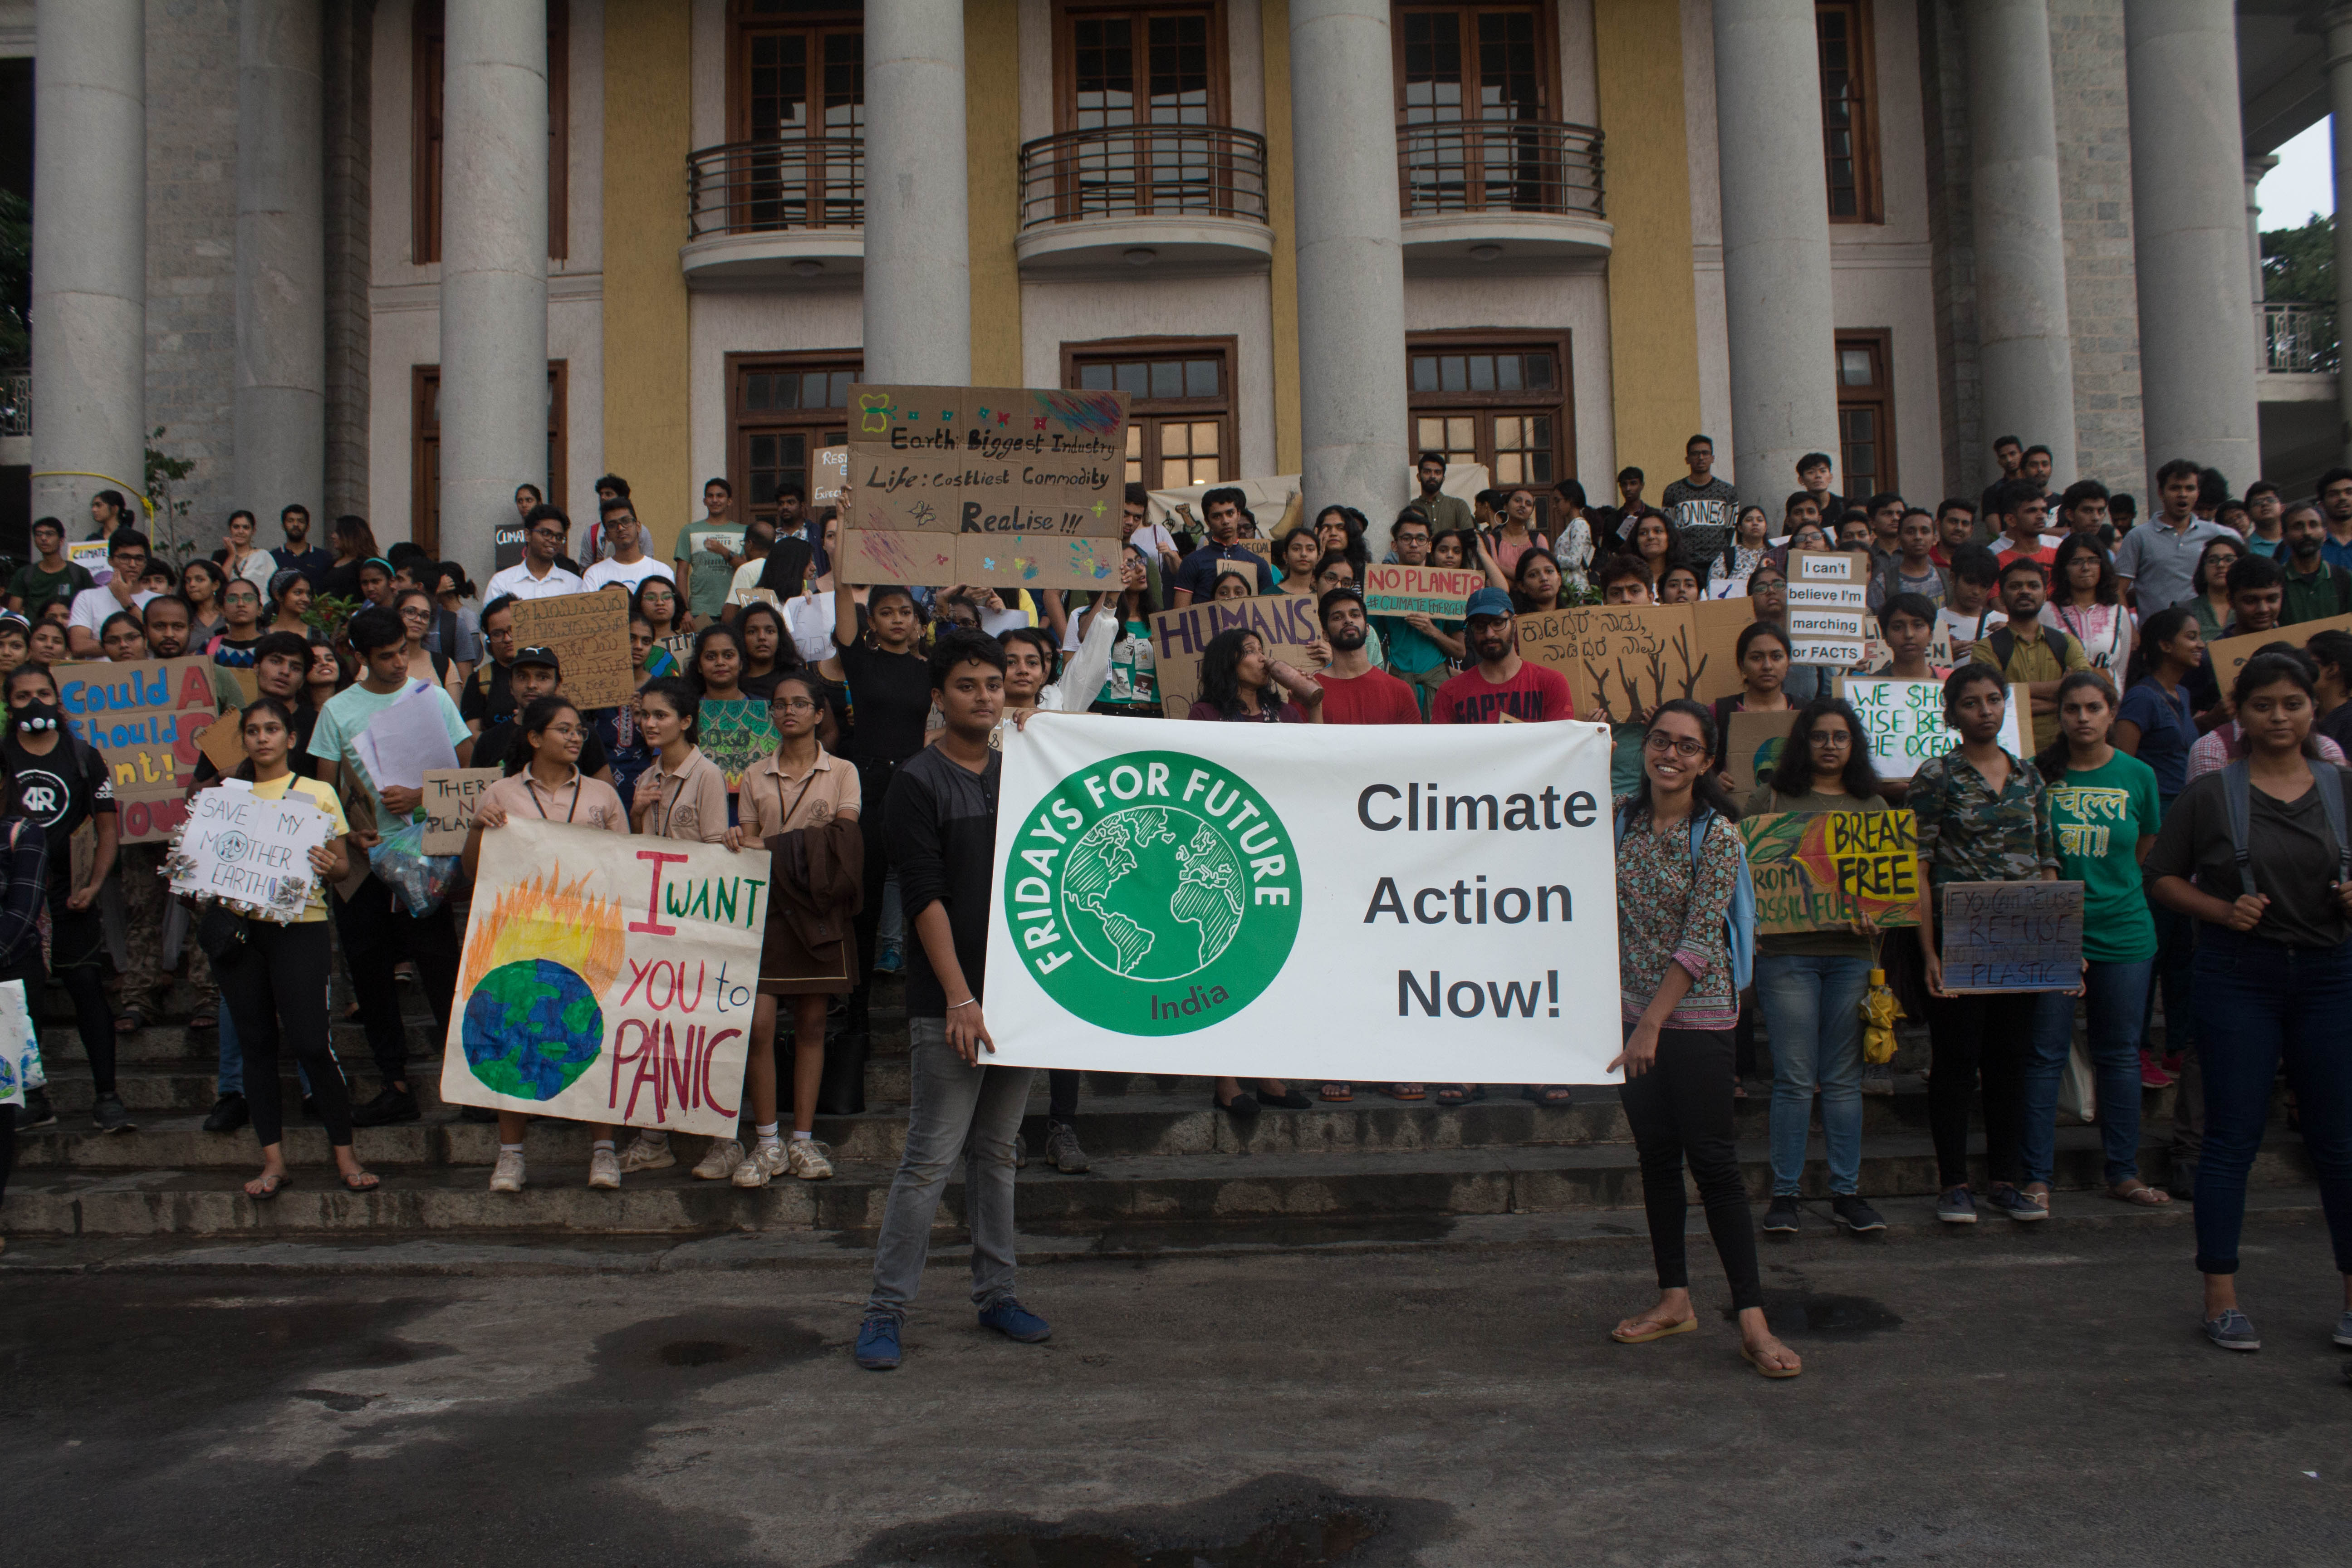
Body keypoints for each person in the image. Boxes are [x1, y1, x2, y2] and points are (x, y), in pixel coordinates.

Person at [853, 632, 1049, 1372]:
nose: (985, 696)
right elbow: (925, 896)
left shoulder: (1022, 772)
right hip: (952, 1003)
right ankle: (885, 1310)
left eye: (994, 684)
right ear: (938, 696)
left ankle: (996, 1293)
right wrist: (960, 998)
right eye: (967, 685)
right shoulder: (916, 779)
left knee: (997, 1154)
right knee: (927, 1161)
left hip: (1021, 1002)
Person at [2146, 652, 2352, 1352]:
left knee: (2341, 1142)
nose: (2278, 718)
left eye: (2292, 703)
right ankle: (2221, 1296)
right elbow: (2162, 877)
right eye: (2263, 705)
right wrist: (2218, 909)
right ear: (2240, 713)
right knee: (2230, 1139)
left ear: (2311, 710)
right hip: (2240, 976)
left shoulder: (2341, 788)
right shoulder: (2212, 794)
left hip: (2331, 973)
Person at [1606, 699, 1800, 1376]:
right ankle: (1674, 1300)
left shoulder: (1717, 835)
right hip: (1632, 1020)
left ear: (1707, 761)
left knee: (1713, 1164)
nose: (1671, 754)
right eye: (1661, 740)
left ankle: (1753, 1321)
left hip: (1695, 1021)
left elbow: (1698, 941)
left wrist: (1651, 1025)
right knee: (1657, 1159)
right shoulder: (1619, 823)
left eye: (1688, 747)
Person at [308, 608, 475, 1127]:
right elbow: (324, 792)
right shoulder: (337, 712)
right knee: (371, 973)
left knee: (442, 967)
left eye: (404, 650)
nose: (401, 662)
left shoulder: (432, 696)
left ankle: (472, 1083)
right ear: (359, 658)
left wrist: (421, 794)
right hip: (362, 864)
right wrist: (351, 834)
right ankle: (394, 1084)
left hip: (426, 857)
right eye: (386, 656)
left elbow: (470, 770)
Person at [1748, 697, 1903, 1236]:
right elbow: (1739, 872)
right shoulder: (1769, 800)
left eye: (1841, 736)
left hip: (1852, 958)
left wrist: (1880, 919)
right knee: (1793, 1079)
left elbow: (1891, 896)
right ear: (1803, 742)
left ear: (1854, 745)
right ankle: (1785, 1196)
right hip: (1786, 956)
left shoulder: (1875, 809)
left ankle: (1847, 1194)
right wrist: (1751, 927)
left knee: (1842, 1081)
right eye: (1819, 736)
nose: (1830, 745)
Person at [209, 696, 375, 1200]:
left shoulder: (319, 792)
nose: (263, 738)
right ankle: (273, 1162)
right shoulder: (229, 796)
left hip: (302, 926)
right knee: (256, 1046)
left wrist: (331, 864)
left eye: (272, 729)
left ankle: (346, 1155)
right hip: (243, 932)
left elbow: (344, 868)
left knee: (310, 1044)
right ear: (245, 740)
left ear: (291, 738)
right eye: (254, 730)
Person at [466, 695, 632, 1191]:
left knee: (589, 1035)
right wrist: (479, 828)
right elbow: (474, 872)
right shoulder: (500, 793)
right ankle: (511, 1156)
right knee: (511, 1036)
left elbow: (626, 867)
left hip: (588, 936)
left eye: (580, 730)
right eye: (564, 730)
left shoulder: (603, 796)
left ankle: (604, 1151)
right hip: (519, 935)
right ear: (535, 738)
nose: (577, 737)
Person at [1911, 665, 2058, 1225]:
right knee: (1955, 1062)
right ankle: (1953, 1184)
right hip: (1960, 939)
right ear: (1952, 714)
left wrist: (2057, 945)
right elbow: (1918, 867)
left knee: (2010, 1064)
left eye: (1994, 700)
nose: (1985, 710)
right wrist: (1928, 951)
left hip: (2023, 941)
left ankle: (2006, 1180)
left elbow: (2048, 862)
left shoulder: (2029, 777)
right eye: (1971, 702)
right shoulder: (1937, 777)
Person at [2022, 671, 2169, 1214]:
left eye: (2093, 708)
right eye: (2072, 709)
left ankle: (2123, 1173)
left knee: (2120, 1056)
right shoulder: (2039, 775)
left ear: (2111, 712)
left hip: (2127, 933)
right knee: (2043, 1056)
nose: (2082, 718)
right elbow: (2031, 854)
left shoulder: (2139, 775)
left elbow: (2145, 845)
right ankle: (2037, 1178)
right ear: (2058, 716)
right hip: (2052, 934)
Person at [714, 671, 866, 1189]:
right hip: (771, 909)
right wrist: (746, 838)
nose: (789, 712)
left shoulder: (843, 770)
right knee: (757, 1027)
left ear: (820, 712)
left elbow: (845, 840)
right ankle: (767, 1142)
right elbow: (751, 844)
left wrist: (770, 844)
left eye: (801, 703)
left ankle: (802, 1142)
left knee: (813, 1027)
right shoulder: (755, 775)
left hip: (820, 910)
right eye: (780, 705)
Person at [2, 662, 125, 1132]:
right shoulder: (3, 756)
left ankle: (107, 1095)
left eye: (43, 693)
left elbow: (108, 826)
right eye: (22, 697)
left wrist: (94, 884)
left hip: (70, 896)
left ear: (58, 698)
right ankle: (33, 1098)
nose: (35, 704)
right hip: (16, 902)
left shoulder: (83, 756)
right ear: (8, 705)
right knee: (20, 1002)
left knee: (88, 991)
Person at [824, 582, 935, 1049]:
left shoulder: (931, 672)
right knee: (864, 903)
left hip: (913, 785)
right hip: (866, 785)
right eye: (886, 612)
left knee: (924, 896)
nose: (896, 619)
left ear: (916, 622)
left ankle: (927, 1015)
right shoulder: (860, 661)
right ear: (873, 622)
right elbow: (843, 599)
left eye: (905, 612)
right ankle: (858, 1016)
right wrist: (844, 546)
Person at [1984, 558, 2090, 751]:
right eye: (2016, 586)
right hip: (2009, 754)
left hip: (2063, 752)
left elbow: (2084, 690)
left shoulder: (2067, 643)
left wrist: (2012, 696)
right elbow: (1990, 703)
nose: (2025, 591)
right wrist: (2059, 694)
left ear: (2046, 595)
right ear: (2001, 597)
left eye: (2033, 586)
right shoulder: (1986, 649)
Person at [1430, 587, 1573, 725]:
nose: (1489, 634)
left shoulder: (1552, 683)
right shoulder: (1450, 692)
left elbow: (1563, 745)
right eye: (1480, 627)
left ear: (1514, 623)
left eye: (1498, 623)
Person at [469, 645, 617, 779]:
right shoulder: (489, 741)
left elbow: (605, 793)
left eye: (543, 677)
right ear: (511, 685)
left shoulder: (581, 734)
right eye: (522, 677)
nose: (532, 685)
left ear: (558, 685)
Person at [1370, 513, 1461, 718]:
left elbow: (1461, 652)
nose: (1414, 544)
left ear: (1429, 546)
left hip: (1437, 685)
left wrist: (1432, 631)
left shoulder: (1447, 588)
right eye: (1406, 538)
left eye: (1421, 539)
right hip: (1397, 684)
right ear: (1395, 545)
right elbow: (1371, 639)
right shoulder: (1382, 587)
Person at [2114, 459, 2232, 613]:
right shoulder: (2138, 537)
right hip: (2156, 632)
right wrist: (2132, 633)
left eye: (2190, 488)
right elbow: (2118, 590)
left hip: (2210, 633)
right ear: (2161, 493)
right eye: (2175, 488)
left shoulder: (2220, 535)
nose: (2183, 495)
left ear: (2198, 493)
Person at [1709, 622, 1795, 779]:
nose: (1767, 666)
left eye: (1776, 657)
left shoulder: (1805, 712)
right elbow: (1698, 767)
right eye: (1757, 658)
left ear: (1789, 662)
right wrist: (1714, 785)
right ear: (1742, 664)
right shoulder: (1718, 713)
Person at [1188, 626, 1325, 724]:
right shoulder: (1204, 715)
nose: (1263, 659)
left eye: (1261, 651)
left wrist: (1314, 707)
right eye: (1250, 651)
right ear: (1226, 661)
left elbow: (1312, 757)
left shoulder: (1286, 713)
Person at [2043, 534, 2132, 675]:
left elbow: (2120, 672)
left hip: (2108, 694)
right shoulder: (2047, 611)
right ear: (2064, 569)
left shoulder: (2118, 613)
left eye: (2093, 561)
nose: (2085, 568)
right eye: (2076, 562)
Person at [1170, 488, 1278, 604]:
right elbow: (1180, 616)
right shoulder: (1192, 562)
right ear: (1207, 522)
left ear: (1238, 514)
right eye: (1217, 516)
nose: (1225, 521)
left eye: (1230, 514)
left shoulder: (1259, 564)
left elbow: (1269, 611)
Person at [66, 528, 156, 657]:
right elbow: (79, 646)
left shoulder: (159, 602)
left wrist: (126, 601)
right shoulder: (87, 598)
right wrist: (135, 645)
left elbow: (157, 641)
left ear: (146, 562)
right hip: (102, 676)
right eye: (125, 558)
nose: (133, 564)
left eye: (139, 559)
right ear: (110, 560)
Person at [675, 477, 744, 629]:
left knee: (734, 651)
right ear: (704, 501)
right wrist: (683, 610)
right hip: (700, 611)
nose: (715, 500)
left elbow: (748, 569)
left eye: (720, 496)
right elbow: (682, 572)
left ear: (730, 501)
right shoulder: (689, 531)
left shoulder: (743, 532)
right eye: (710, 496)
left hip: (736, 609)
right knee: (703, 651)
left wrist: (724, 552)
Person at [485, 505, 588, 602]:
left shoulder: (574, 585)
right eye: (546, 533)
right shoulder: (502, 583)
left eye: (559, 537)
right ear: (527, 535)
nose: (553, 541)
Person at [2277, 500, 2352, 625]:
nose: (2307, 532)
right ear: (2284, 537)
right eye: (2298, 527)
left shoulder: (2345, 579)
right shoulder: (2275, 582)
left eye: (2313, 525)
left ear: (2324, 535)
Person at [1869, 509, 1951, 615]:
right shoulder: (1882, 583)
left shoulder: (1948, 579)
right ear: (1899, 539)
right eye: (1910, 532)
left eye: (1925, 532)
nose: (1918, 537)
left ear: (1935, 539)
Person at [460, 594, 522, 735]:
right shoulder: (479, 681)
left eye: (513, 629)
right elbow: (472, 732)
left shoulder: (546, 669)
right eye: (497, 634)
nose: (507, 639)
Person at [581, 499, 672, 594]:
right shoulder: (594, 575)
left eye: (626, 521)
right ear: (607, 535)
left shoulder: (661, 571)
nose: (621, 528)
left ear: (638, 526)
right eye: (612, 525)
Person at [9, 516, 93, 617]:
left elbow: (92, 607)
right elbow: (13, 613)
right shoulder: (24, 574)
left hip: (68, 631)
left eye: (50, 534)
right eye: (39, 534)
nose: (43, 538)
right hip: (35, 631)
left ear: (61, 540)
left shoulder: (79, 573)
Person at [394, 588, 465, 706]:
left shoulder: (444, 664)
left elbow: (453, 717)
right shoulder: (376, 662)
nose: (418, 620)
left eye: (425, 616)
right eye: (411, 612)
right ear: (396, 614)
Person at [1661, 434, 1738, 538]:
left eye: (1705, 453)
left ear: (1713, 458)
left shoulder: (1728, 491)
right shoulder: (1673, 491)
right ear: (1687, 459)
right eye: (1695, 454)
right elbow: (1668, 528)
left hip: (1719, 554)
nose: (1701, 458)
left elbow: (1731, 528)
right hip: (1683, 554)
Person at [2187, 535, 2245, 641]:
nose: (2220, 565)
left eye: (2229, 559)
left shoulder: (2254, 609)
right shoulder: (2185, 610)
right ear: (2203, 568)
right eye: (2213, 560)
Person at [1991, 481, 2058, 573]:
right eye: (2032, 511)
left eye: (2043, 510)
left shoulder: (2058, 551)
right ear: (2011, 520)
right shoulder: (1995, 559)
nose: (2041, 516)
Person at [317, 515, 379, 603]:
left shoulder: (365, 564)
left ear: (350, 535)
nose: (333, 536)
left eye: (337, 533)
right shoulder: (331, 564)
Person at [270, 503, 334, 588]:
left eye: (301, 521)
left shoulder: (324, 557)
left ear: (308, 527)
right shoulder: (272, 557)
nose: (296, 525)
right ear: (283, 526)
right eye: (291, 521)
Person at [1413, 451, 1474, 534]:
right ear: (1419, 477)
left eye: (1438, 473)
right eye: (1427, 472)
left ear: (1444, 479)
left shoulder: (1459, 506)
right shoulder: (1412, 508)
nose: (1432, 476)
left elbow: (1468, 538)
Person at [1796, 451, 1844, 528]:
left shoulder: (1844, 506)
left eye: (1823, 471)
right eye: (1811, 472)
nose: (1818, 476)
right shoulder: (1796, 510)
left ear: (1831, 477)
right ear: (1801, 480)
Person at [1274, 526, 1321, 595]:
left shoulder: (1323, 596)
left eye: (1310, 549)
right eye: (1296, 549)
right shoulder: (1269, 595)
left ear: (1318, 558)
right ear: (1286, 556)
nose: (1304, 554)